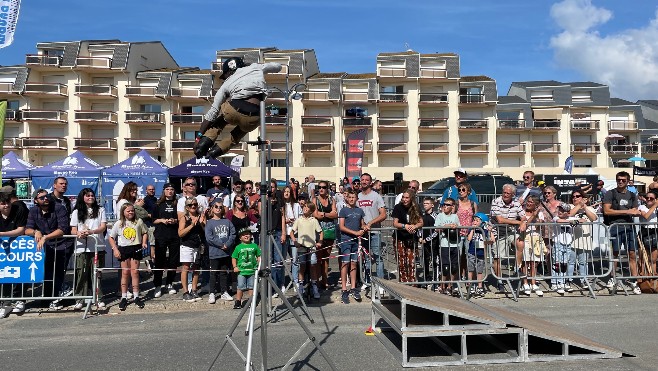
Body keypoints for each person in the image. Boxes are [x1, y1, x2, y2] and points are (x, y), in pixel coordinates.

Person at [194, 57, 283, 159]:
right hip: (254, 117)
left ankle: (203, 145)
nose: (225, 77)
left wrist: (198, 138)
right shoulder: (256, 67)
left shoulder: (226, 83)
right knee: (236, 136)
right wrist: (254, 65)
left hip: (233, 111)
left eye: (225, 75)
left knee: (219, 121)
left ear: (229, 71)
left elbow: (213, 112)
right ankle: (214, 152)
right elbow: (278, 66)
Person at [25, 189, 70, 310]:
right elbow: (27, 229)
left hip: (59, 244)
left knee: (58, 273)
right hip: (43, 247)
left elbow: (63, 229)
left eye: (46, 196)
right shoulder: (34, 210)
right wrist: (36, 231)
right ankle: (46, 299)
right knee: (45, 274)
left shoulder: (59, 208)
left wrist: (45, 237)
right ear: (36, 201)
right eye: (42, 198)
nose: (45, 199)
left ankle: (57, 299)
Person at [603, 171, 641, 294]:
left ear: (628, 181)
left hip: (629, 227)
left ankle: (634, 281)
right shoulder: (610, 193)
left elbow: (635, 210)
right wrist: (626, 212)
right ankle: (612, 278)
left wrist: (631, 212)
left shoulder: (632, 194)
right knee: (615, 254)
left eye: (623, 180)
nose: (620, 182)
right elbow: (607, 211)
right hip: (615, 226)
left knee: (632, 254)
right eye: (618, 179)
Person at [70, 188, 107, 310]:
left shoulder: (100, 209)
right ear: (83, 197)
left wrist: (92, 231)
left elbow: (103, 227)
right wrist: (79, 233)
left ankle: (99, 298)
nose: (90, 197)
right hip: (81, 247)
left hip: (97, 246)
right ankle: (79, 299)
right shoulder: (76, 212)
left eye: (92, 195)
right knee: (81, 274)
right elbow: (73, 229)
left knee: (97, 274)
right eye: (87, 195)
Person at [108, 203, 148, 311]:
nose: (130, 213)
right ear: (123, 212)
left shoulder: (138, 222)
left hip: (136, 248)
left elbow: (145, 232)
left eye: (132, 211)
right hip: (124, 248)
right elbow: (111, 237)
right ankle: (124, 297)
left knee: (134, 272)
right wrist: (115, 249)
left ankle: (136, 296)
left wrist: (144, 242)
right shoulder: (119, 223)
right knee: (125, 272)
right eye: (128, 211)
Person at [490, 184, 525, 292]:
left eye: (508, 193)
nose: (505, 195)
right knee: (498, 257)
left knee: (520, 243)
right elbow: (500, 220)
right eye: (504, 192)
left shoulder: (516, 203)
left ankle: (517, 268)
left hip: (510, 231)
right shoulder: (496, 201)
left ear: (513, 194)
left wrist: (524, 222)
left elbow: (523, 216)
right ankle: (499, 281)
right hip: (497, 231)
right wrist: (519, 222)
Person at [151, 183, 181, 298]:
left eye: (172, 189)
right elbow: (153, 220)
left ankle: (169, 283)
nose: (170, 191)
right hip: (161, 235)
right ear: (164, 191)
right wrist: (162, 220)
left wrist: (174, 221)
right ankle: (157, 285)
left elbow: (181, 218)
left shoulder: (177, 204)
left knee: (173, 261)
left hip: (174, 235)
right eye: (168, 189)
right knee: (160, 261)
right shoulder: (158, 204)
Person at [357, 173, 387, 284]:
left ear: (370, 182)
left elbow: (383, 214)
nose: (364, 181)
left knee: (378, 257)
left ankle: (381, 283)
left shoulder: (376, 196)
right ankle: (367, 281)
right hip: (363, 232)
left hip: (375, 232)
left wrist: (370, 223)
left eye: (366, 180)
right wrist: (362, 225)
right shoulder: (357, 196)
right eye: (362, 179)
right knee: (366, 258)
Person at [0, 193, 27, 317]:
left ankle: (19, 300)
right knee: (3, 274)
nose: (6, 206)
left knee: (19, 273)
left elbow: (21, 229)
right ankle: (5, 303)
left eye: (8, 203)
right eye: (3, 203)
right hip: (3, 250)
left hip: (18, 248)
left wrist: (2, 234)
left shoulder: (18, 210)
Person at [290, 202, 323, 299]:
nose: (305, 208)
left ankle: (314, 286)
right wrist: (295, 241)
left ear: (311, 210)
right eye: (304, 207)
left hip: (311, 247)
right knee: (302, 266)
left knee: (313, 265)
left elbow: (320, 232)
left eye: (308, 207)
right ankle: (300, 286)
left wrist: (319, 242)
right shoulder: (299, 220)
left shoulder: (314, 220)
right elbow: (292, 232)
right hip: (301, 247)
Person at [338, 189, 366, 304]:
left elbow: (362, 224)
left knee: (354, 263)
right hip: (346, 240)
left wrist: (363, 228)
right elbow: (341, 227)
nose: (351, 199)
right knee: (345, 263)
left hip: (356, 242)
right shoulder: (343, 211)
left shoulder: (360, 211)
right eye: (349, 197)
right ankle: (344, 288)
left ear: (357, 199)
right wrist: (355, 233)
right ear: (346, 198)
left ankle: (354, 287)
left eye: (353, 197)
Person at [205, 200, 236, 304]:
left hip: (225, 252)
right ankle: (212, 293)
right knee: (213, 273)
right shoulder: (209, 222)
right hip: (214, 253)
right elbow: (209, 237)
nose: (218, 208)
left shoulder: (227, 221)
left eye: (220, 207)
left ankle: (224, 291)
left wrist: (227, 244)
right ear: (212, 209)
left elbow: (233, 234)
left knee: (224, 273)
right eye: (216, 207)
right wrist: (220, 244)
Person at [567, 189, 598, 289]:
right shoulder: (571, 207)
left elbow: (593, 218)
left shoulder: (589, 208)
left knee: (583, 262)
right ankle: (569, 280)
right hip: (572, 239)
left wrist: (584, 207)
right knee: (570, 261)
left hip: (585, 240)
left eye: (578, 196)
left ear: (582, 197)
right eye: (573, 196)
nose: (575, 198)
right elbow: (570, 214)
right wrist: (579, 206)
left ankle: (583, 280)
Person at [178, 196, 207, 302]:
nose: (193, 206)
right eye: (191, 205)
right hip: (187, 245)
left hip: (198, 245)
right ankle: (185, 292)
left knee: (196, 267)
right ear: (187, 207)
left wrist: (202, 223)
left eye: (195, 204)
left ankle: (194, 290)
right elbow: (180, 233)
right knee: (185, 267)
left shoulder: (201, 216)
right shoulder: (184, 218)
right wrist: (192, 225)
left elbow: (205, 230)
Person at [392, 190, 423, 283]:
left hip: (411, 237)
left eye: (406, 198)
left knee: (411, 261)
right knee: (401, 261)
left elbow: (421, 222)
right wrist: (404, 226)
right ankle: (403, 281)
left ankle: (412, 281)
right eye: (403, 197)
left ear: (411, 199)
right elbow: (395, 223)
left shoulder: (416, 207)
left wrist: (415, 226)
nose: (404, 200)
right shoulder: (398, 207)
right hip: (399, 237)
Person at [312, 180, 338, 290]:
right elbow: (315, 215)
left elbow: (335, 214)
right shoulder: (315, 200)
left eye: (323, 187)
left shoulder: (332, 200)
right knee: (318, 258)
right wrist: (328, 215)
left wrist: (324, 214)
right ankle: (317, 281)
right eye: (319, 187)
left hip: (330, 231)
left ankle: (325, 280)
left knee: (326, 258)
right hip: (319, 232)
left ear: (327, 188)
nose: (321, 189)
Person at [518, 195, 546, 297]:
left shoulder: (540, 213)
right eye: (528, 201)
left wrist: (538, 218)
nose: (528, 204)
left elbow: (539, 227)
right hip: (525, 238)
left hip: (536, 238)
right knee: (525, 262)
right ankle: (525, 283)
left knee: (534, 262)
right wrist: (533, 216)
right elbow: (524, 226)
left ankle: (533, 283)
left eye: (531, 202)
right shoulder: (522, 212)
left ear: (536, 204)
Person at [434, 198, 460, 295]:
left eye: (447, 205)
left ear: (452, 206)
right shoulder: (440, 216)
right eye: (444, 204)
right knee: (445, 267)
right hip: (444, 244)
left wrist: (455, 227)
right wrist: (447, 226)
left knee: (454, 267)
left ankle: (451, 285)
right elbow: (436, 229)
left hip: (455, 243)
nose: (445, 206)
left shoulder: (455, 216)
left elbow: (458, 227)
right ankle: (442, 286)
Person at [231, 228, 262, 309]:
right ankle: (238, 302)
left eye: (247, 234)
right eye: (243, 234)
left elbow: (259, 256)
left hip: (252, 271)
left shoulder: (255, 246)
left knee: (251, 287)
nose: (246, 235)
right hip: (241, 271)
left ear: (251, 235)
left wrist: (259, 265)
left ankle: (251, 301)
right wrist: (235, 267)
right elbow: (234, 257)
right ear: (240, 238)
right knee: (240, 287)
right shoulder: (238, 247)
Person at [466, 213, 494, 297]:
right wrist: (472, 230)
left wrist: (490, 230)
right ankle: (470, 284)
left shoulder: (484, 231)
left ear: (482, 223)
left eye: (477, 221)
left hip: (481, 253)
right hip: (472, 252)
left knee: (480, 271)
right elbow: (469, 239)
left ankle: (480, 286)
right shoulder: (471, 229)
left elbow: (493, 240)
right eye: (474, 220)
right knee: (471, 269)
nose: (474, 222)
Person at [455, 182, 476, 280]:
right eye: (459, 190)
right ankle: (457, 277)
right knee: (458, 256)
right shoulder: (456, 203)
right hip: (458, 233)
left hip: (469, 233)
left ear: (468, 192)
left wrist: (474, 229)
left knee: (470, 256)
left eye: (463, 190)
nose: (461, 192)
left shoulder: (472, 204)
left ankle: (470, 278)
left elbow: (476, 218)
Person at [418, 197, 439, 288]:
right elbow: (419, 228)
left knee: (435, 261)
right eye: (424, 203)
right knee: (425, 261)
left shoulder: (435, 216)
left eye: (427, 203)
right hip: (425, 243)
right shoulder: (422, 216)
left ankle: (435, 280)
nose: (425, 205)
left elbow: (436, 231)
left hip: (434, 242)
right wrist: (420, 237)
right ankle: (426, 279)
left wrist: (427, 239)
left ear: (432, 205)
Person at [638, 190, 658, 285]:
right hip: (644, 232)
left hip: (655, 231)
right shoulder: (642, 207)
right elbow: (646, 216)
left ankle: (653, 278)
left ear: (656, 199)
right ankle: (641, 278)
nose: (648, 199)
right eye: (647, 198)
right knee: (642, 258)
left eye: (651, 198)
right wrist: (655, 206)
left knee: (653, 259)